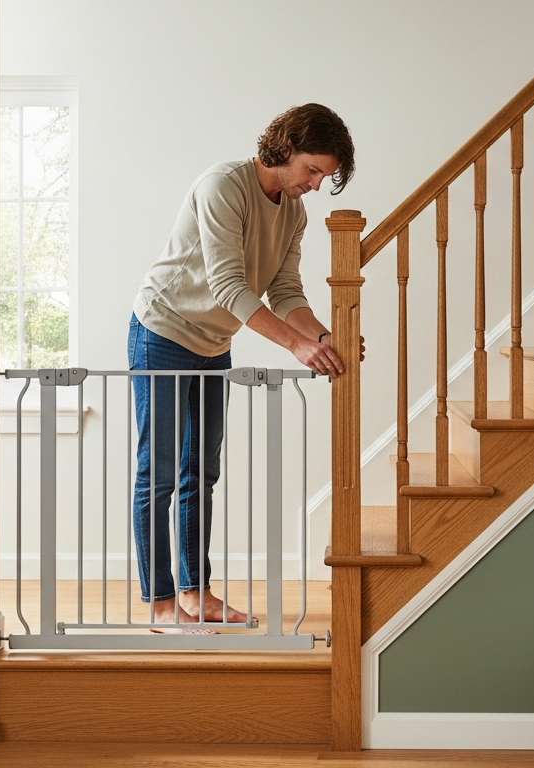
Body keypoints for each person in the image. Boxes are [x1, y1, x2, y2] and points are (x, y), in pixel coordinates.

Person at [129, 104, 355, 631]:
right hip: (161, 332)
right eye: (313, 170)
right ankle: (163, 603)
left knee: (200, 472)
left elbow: (286, 293)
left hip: (213, 343)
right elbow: (229, 286)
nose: (316, 185)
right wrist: (296, 349)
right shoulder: (222, 187)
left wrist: (323, 337)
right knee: (158, 473)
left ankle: (196, 593)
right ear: (285, 148)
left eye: (325, 175)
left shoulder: (293, 214)